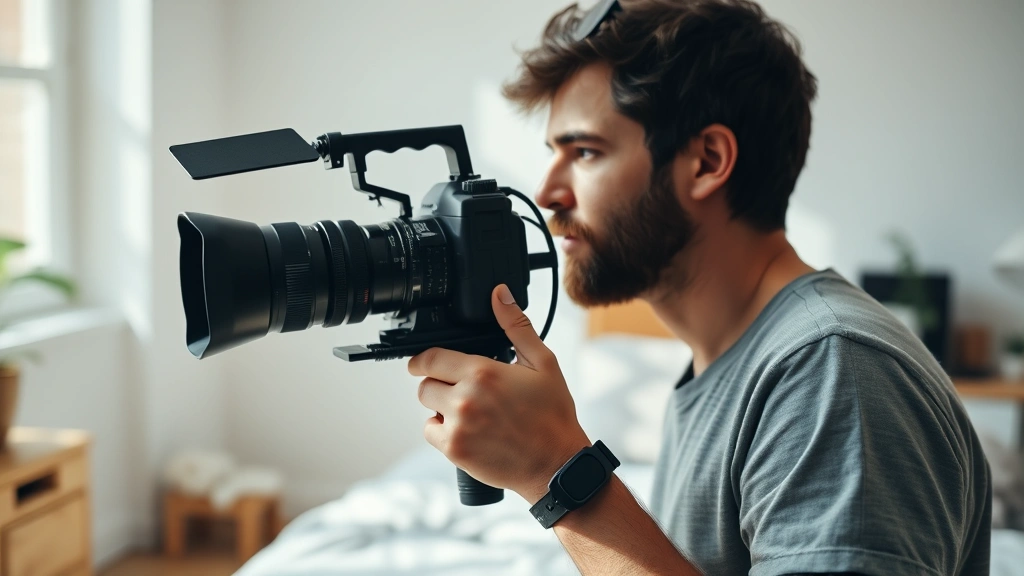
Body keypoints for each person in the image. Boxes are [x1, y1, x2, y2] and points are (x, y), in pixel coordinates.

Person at [409, 0, 992, 574]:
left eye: (585, 152)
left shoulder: (829, 370)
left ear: (707, 161)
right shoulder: (731, 365)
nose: (547, 193)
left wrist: (555, 469)